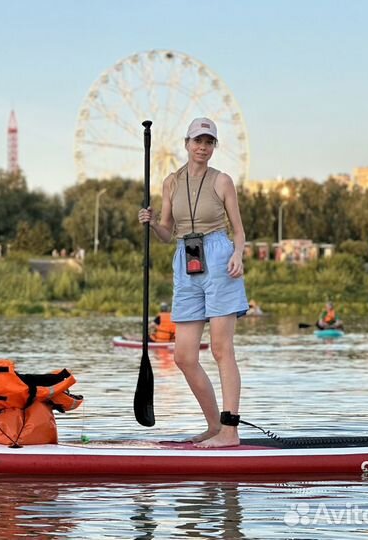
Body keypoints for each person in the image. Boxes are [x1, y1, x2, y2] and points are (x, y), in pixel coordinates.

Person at [138, 117, 249, 448]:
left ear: (214, 147)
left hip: (217, 255)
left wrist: (238, 254)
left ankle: (230, 430)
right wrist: (152, 221)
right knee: (184, 356)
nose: (202, 147)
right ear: (186, 143)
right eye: (197, 141)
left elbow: (239, 230)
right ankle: (215, 427)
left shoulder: (223, 181)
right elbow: (166, 233)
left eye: (209, 142)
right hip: (184, 259)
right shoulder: (171, 182)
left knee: (220, 348)